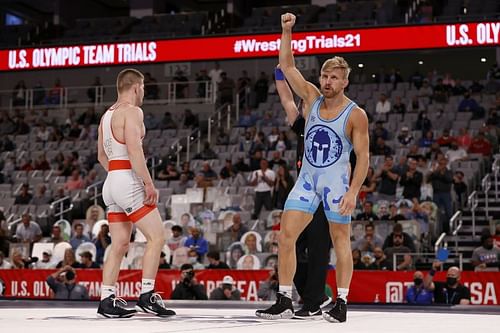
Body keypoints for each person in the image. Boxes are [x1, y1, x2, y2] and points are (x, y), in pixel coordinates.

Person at [256, 13, 369, 323]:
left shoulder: (355, 115)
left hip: (335, 185)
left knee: (340, 241)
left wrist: (354, 191)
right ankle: (284, 299)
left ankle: (342, 302)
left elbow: (364, 157)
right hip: (307, 181)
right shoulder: (311, 98)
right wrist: (286, 30)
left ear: (345, 81)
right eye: (324, 76)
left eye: (334, 78)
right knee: (286, 236)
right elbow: (288, 66)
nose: (328, 82)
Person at [96, 68, 175, 318]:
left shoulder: (106, 116)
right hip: (127, 178)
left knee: (119, 244)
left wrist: (117, 177)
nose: (144, 92)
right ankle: (147, 295)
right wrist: (147, 183)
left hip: (111, 181)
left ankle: (106, 300)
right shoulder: (133, 111)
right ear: (136, 87)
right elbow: (134, 150)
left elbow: (100, 155)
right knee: (157, 237)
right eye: (143, 88)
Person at [274, 66, 333, 319]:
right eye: (303, 105)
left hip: (325, 194)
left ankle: (313, 301)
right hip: (304, 193)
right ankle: (315, 295)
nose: (302, 107)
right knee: (290, 243)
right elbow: (286, 99)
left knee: (319, 248)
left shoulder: (327, 125)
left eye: (306, 104)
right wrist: (279, 75)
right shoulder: (300, 126)